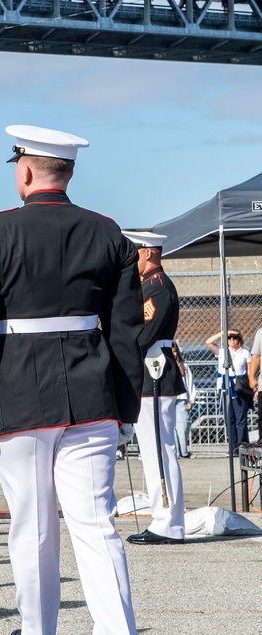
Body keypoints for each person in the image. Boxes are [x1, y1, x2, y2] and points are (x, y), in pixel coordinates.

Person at [0, 124, 149, 635]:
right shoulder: (108, 233)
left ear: (24, 171)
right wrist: (125, 408)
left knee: (33, 525)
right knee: (95, 525)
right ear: (66, 173)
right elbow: (125, 332)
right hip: (92, 392)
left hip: (19, 395)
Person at [121, 230, 186, 546]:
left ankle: (168, 523)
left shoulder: (157, 288)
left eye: (134, 253)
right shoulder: (148, 286)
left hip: (156, 374)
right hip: (150, 374)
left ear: (148, 252)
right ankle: (164, 518)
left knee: (160, 451)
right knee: (153, 450)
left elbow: (142, 334)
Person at [206, 329, 251, 457]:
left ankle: (243, 444)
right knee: (229, 418)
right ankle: (233, 447)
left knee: (241, 417)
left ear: (239, 339)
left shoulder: (245, 352)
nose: (232, 341)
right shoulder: (222, 352)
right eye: (229, 338)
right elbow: (208, 342)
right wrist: (222, 333)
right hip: (225, 387)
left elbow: (248, 370)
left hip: (239, 387)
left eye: (235, 338)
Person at [173, 343, 195, 459]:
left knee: (182, 426)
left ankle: (184, 451)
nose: (173, 354)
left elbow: (190, 383)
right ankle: (175, 453)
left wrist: (191, 400)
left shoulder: (184, 366)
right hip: (169, 400)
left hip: (181, 400)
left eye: (175, 351)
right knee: (171, 428)